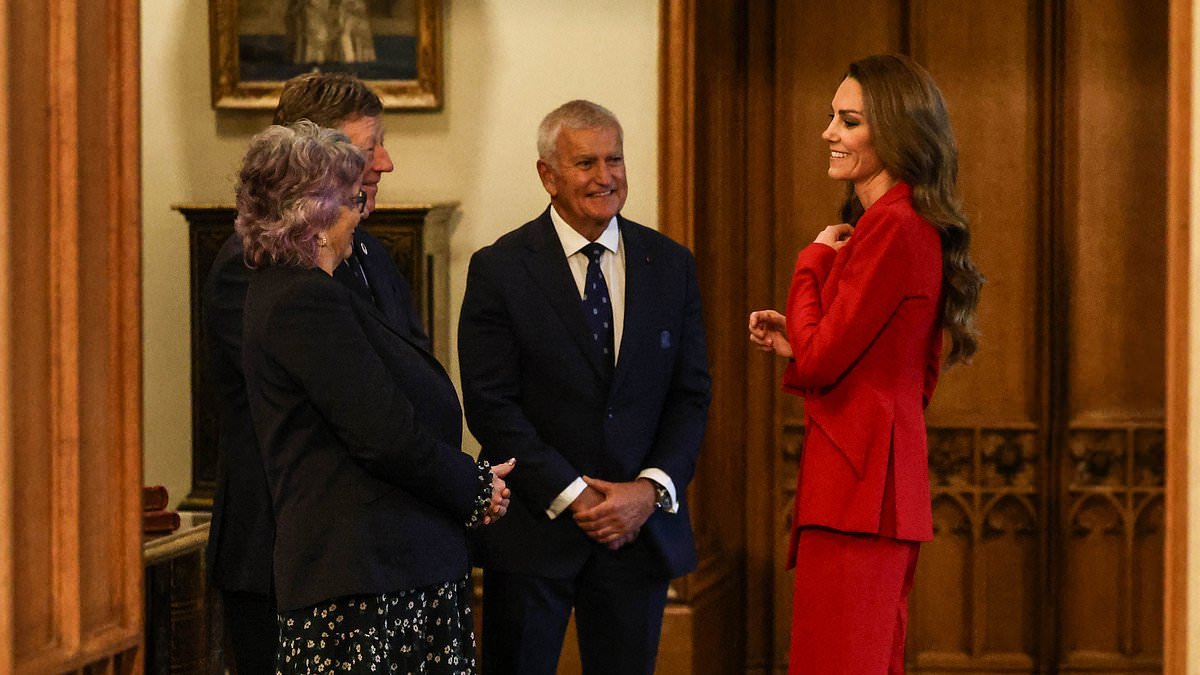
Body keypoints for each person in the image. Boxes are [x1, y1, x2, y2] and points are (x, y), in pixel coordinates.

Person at [236, 121, 510, 673]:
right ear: (313, 213)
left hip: (391, 575)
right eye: (352, 199)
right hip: (364, 586)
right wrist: (475, 487)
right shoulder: (302, 301)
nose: (360, 213)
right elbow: (383, 434)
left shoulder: (313, 291)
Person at [748, 53, 984, 673]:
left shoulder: (894, 227)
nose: (829, 132)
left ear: (896, 132)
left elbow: (826, 360)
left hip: (860, 488)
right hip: (867, 481)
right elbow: (901, 365)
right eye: (833, 117)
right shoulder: (894, 223)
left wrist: (812, 263)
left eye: (848, 121)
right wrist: (802, 342)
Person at [458, 99, 712, 675]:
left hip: (637, 535)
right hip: (534, 534)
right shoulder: (499, 269)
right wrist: (579, 496)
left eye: (615, 159)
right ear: (548, 175)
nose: (606, 177)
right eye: (586, 163)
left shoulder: (670, 263)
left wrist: (647, 491)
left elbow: (690, 394)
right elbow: (492, 406)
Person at [202, 72, 424, 673]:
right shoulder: (249, 264)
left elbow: (413, 371)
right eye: (369, 144)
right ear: (316, 153)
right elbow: (350, 412)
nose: (385, 162)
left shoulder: (371, 253)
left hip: (365, 556)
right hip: (283, 558)